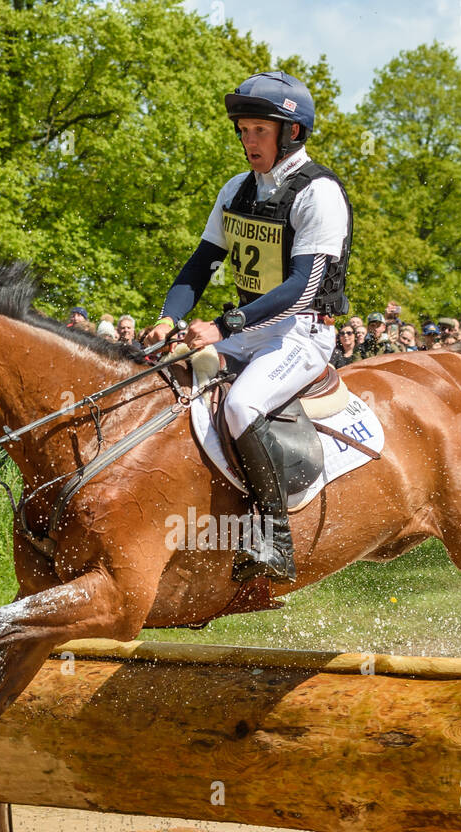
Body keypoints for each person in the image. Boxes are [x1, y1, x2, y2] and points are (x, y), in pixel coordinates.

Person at [141, 70, 351, 583]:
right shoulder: (236, 190)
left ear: (292, 133)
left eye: (260, 130)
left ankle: (275, 537)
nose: (248, 140)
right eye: (243, 129)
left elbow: (302, 286)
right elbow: (201, 264)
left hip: (300, 331)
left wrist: (221, 325)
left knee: (240, 404)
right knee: (159, 383)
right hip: (248, 328)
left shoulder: (318, 193)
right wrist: (170, 315)